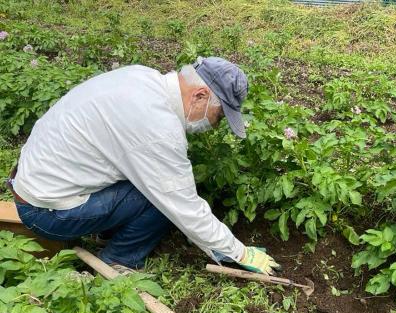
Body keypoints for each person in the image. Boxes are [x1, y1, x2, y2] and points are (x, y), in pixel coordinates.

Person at [8, 56, 280, 275]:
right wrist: (238, 252)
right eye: (219, 115)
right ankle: (118, 261)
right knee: (163, 200)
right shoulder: (157, 127)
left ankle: (107, 232)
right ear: (199, 96)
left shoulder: (142, 77)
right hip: (46, 213)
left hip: (35, 183)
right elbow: (183, 206)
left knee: (152, 183)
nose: (214, 125)